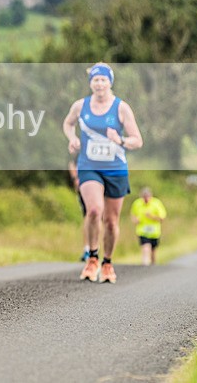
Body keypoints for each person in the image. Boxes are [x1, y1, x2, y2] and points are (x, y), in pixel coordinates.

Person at [62, 63, 143, 284]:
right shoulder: (80, 106)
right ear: (90, 83)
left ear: (110, 82)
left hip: (115, 168)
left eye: (103, 80)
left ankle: (107, 263)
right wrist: (73, 139)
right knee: (94, 210)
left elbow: (137, 140)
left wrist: (121, 140)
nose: (99, 84)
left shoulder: (121, 108)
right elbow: (68, 124)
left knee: (111, 221)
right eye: (95, 80)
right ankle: (92, 258)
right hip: (89, 165)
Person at [130, 187, 167, 265]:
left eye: (147, 197)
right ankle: (145, 264)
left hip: (154, 232)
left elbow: (162, 218)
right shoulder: (137, 203)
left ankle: (153, 265)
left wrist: (152, 216)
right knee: (145, 247)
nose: (146, 199)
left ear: (151, 196)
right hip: (142, 231)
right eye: (144, 197)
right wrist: (135, 220)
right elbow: (133, 215)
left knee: (153, 251)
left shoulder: (156, 203)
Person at [68, 157, 90, 261]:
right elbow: (72, 163)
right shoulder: (80, 148)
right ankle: (87, 250)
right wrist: (76, 178)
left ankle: (93, 249)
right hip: (85, 184)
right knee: (89, 215)